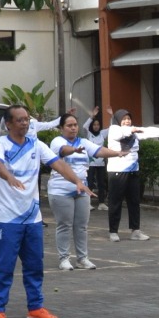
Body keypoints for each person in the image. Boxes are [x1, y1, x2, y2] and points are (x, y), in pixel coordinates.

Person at [0, 104, 87, 318]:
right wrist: (8, 177)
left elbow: (58, 163)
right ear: (9, 123)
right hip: (7, 219)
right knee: (4, 266)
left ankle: (35, 307)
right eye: (20, 120)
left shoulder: (37, 145)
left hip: (33, 219)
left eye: (27, 120)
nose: (25, 123)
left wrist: (77, 181)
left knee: (34, 265)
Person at [50, 112, 106, 271]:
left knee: (81, 226)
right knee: (64, 225)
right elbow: (64, 150)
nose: (73, 128)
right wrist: (74, 150)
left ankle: (82, 258)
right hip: (60, 190)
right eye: (69, 125)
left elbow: (99, 151)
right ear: (61, 128)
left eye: (75, 125)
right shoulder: (57, 141)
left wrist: (118, 153)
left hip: (82, 189)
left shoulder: (84, 142)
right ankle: (64, 259)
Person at [104, 110, 148, 242]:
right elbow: (120, 134)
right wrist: (133, 130)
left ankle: (135, 231)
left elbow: (148, 132)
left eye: (129, 118)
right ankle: (113, 231)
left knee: (134, 202)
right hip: (117, 172)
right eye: (124, 119)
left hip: (133, 171)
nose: (127, 121)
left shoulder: (134, 134)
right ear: (118, 120)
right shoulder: (114, 130)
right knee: (115, 202)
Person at [81, 113, 108, 210]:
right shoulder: (89, 134)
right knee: (90, 182)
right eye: (94, 125)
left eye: (98, 125)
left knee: (101, 183)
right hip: (91, 163)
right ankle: (88, 203)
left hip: (101, 163)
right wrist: (92, 116)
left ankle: (101, 203)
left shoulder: (102, 134)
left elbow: (112, 128)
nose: (96, 126)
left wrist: (112, 115)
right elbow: (84, 126)